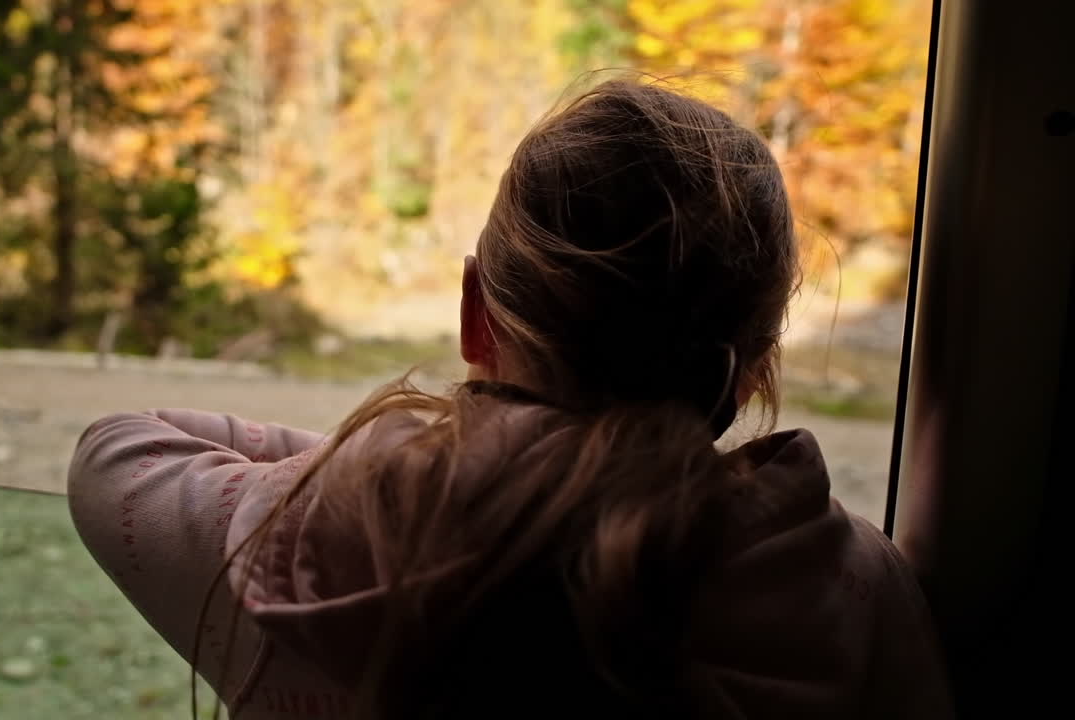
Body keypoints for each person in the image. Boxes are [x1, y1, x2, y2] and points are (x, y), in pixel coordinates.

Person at [68, 78, 953, 719]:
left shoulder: (325, 530)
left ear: (474, 315)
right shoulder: (853, 591)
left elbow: (121, 446)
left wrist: (428, 468)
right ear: (750, 369)